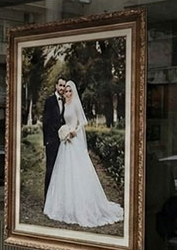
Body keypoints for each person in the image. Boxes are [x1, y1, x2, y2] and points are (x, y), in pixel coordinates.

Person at [43, 81, 123, 227]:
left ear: (72, 92)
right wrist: (64, 131)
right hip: (65, 143)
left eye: (69, 91)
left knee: (78, 172)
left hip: (74, 140)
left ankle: (83, 205)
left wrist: (74, 131)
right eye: (65, 90)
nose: (67, 93)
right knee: (63, 173)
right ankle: (63, 203)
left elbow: (83, 122)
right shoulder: (64, 105)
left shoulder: (74, 104)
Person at [41, 77, 68, 196]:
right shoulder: (50, 101)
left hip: (63, 142)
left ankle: (57, 197)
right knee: (50, 169)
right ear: (56, 86)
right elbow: (46, 122)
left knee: (61, 170)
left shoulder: (66, 101)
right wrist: (47, 141)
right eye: (60, 85)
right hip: (52, 141)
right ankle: (47, 198)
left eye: (64, 86)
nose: (62, 88)